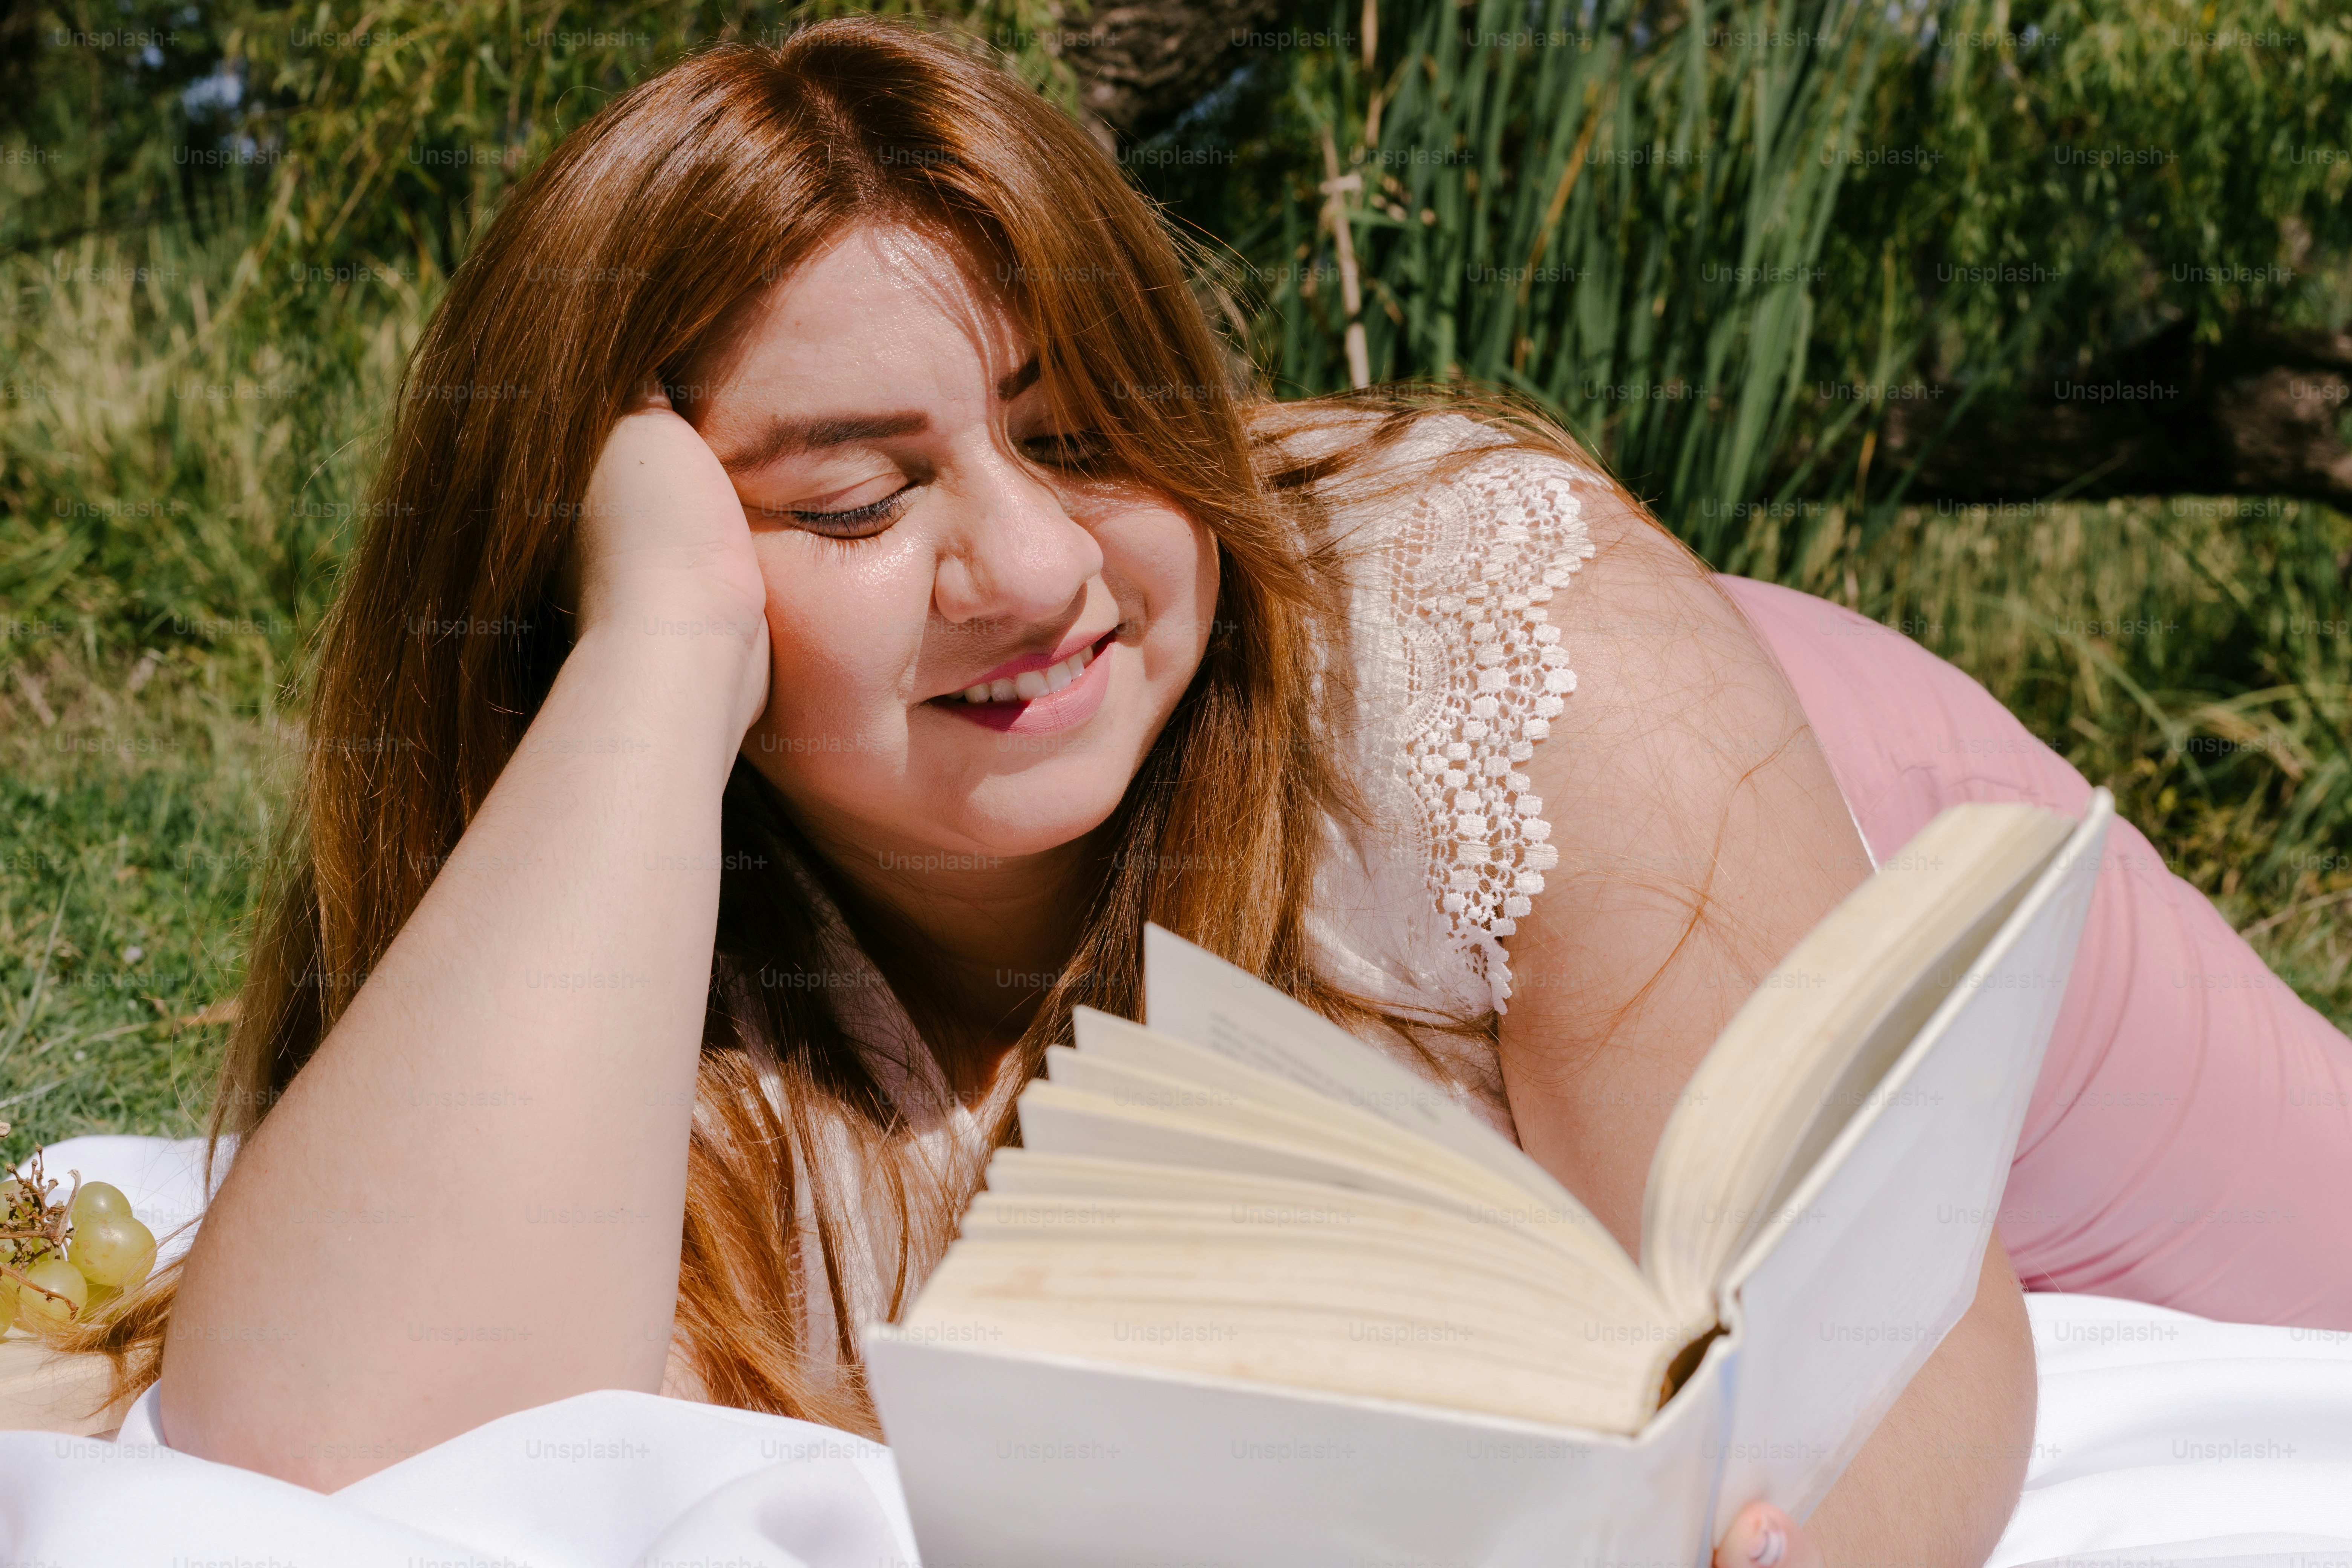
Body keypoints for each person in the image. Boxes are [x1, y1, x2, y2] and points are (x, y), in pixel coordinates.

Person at [55, 17, 2341, 1568]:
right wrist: (663, 654)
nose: (1033, 565)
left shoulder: (1496, 632)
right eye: (851, 505)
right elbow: (312, 1464)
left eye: (1077, 433)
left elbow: (1899, 1301)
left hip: (1729, 800)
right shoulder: (637, 869)